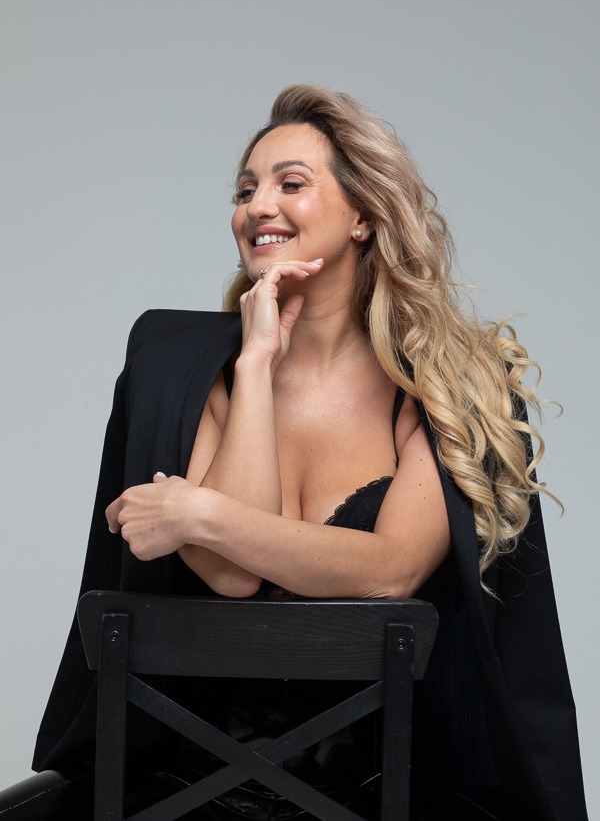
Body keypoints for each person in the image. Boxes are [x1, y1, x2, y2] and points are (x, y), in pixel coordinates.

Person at [29, 85, 587, 820]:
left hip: (389, 797)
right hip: (176, 795)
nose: (257, 206)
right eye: (245, 191)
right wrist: (258, 362)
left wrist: (198, 512)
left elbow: (391, 574)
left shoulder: (451, 383)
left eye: (290, 183)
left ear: (363, 215)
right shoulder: (180, 362)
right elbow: (232, 576)